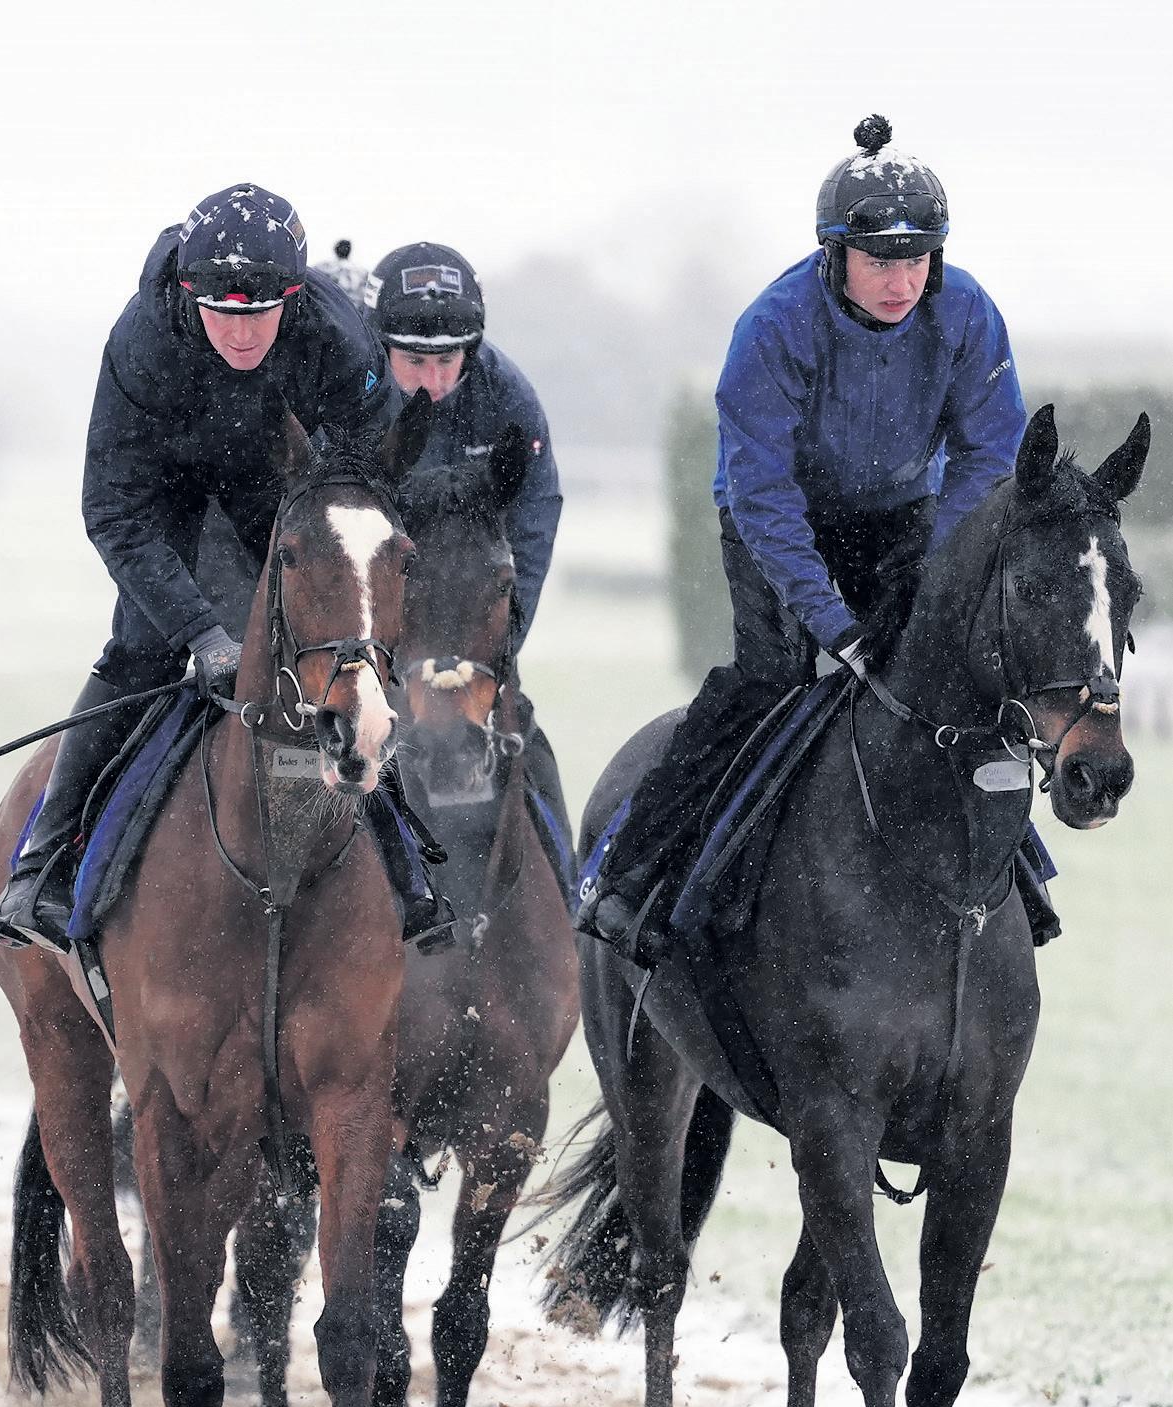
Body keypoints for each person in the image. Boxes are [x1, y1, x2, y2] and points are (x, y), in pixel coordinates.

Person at [576, 115, 1039, 962]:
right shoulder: (771, 328)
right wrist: (832, 623)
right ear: (833, 255)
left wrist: (937, 569)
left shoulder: (967, 312)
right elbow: (762, 497)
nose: (901, 282)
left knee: (946, 677)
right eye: (878, 262)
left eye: (916, 259)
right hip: (776, 519)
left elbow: (989, 454)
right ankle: (634, 875)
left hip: (902, 515)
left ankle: (1020, 876)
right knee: (771, 681)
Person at [0, 182, 448, 954]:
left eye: (261, 314)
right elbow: (113, 510)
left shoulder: (336, 336)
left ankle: (408, 873)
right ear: (190, 296)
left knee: (340, 664)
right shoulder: (140, 342)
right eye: (222, 315)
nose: (241, 335)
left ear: (294, 299)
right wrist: (201, 631)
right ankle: (41, 864)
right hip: (168, 499)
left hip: (282, 489)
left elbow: (370, 476)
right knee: (139, 649)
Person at [365, 241, 573, 879]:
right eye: (413, 361)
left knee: (529, 751)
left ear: (471, 352)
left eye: (447, 361)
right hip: (379, 625)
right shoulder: (349, 398)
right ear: (381, 348)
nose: (431, 381)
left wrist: (501, 646)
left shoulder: (509, 398)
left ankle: (571, 899)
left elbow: (534, 524)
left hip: (469, 618)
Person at [314, 238, 369, 304]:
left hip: (330, 307)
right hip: (353, 309)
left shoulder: (322, 267)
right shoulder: (361, 271)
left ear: (335, 249)